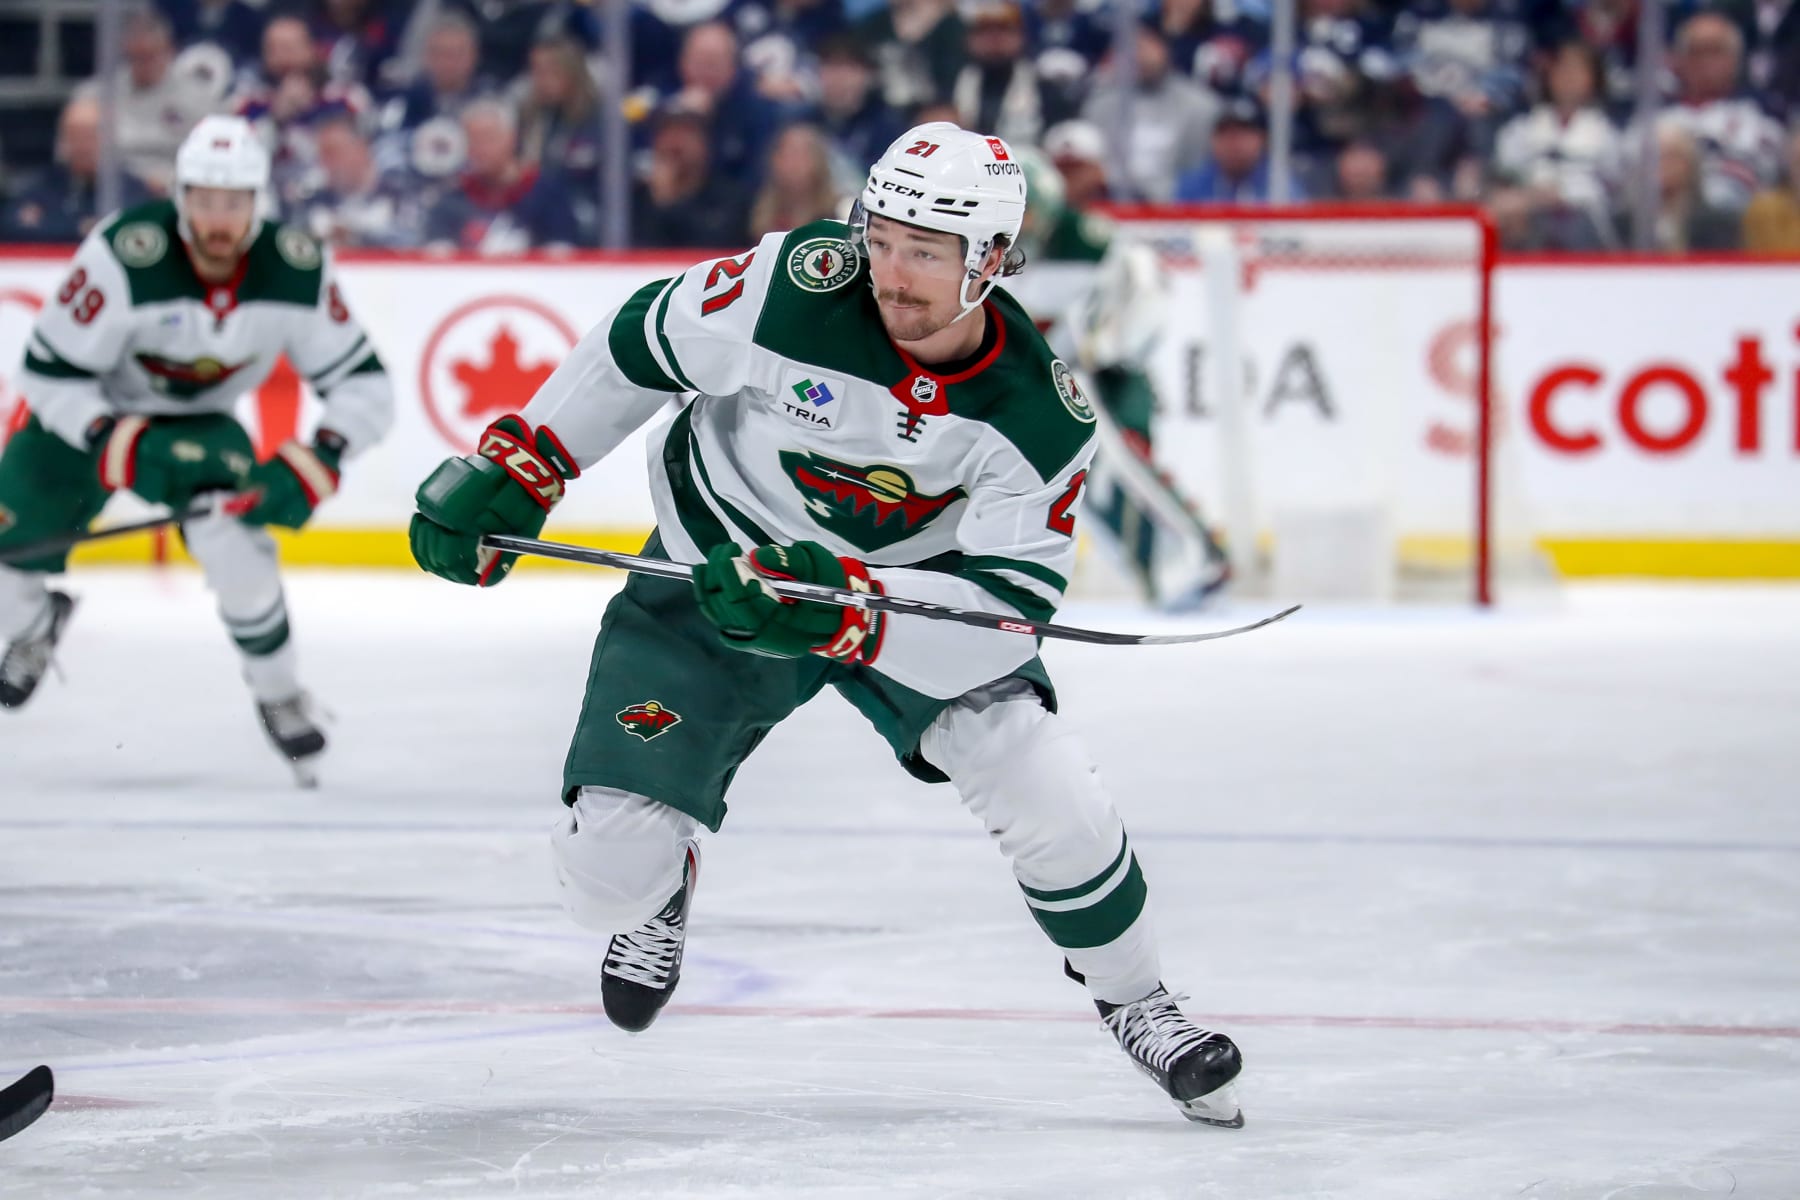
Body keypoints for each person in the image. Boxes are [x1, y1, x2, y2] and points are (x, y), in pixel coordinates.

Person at [406, 122, 1246, 1126]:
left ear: (992, 262)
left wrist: (844, 619)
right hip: (716, 566)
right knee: (602, 882)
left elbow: (1001, 622)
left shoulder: (1039, 416)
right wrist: (525, 462)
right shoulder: (792, 286)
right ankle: (662, 886)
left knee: (1045, 783)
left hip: (906, 602)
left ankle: (1139, 999)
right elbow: (640, 344)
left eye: (927, 253)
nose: (891, 273)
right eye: (881, 237)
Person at [0, 115, 394, 783]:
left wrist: (317, 458)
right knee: (7, 563)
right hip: (86, 419)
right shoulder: (124, 253)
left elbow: (368, 391)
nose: (219, 220)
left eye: (234, 203)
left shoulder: (294, 268)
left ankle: (278, 695)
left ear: (257, 203)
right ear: (180, 198)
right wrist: (112, 439)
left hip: (199, 426)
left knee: (239, 550)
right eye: (205, 201)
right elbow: (47, 374)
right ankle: (35, 623)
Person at [1012, 144, 1230, 608]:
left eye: (1032, 210)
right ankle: (1159, 574)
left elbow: (1142, 292)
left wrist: (1107, 345)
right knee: (1084, 489)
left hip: (1100, 380)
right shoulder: (985, 248)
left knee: (1126, 464)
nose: (1026, 223)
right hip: (1039, 391)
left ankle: (1198, 559)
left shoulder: (1091, 240)